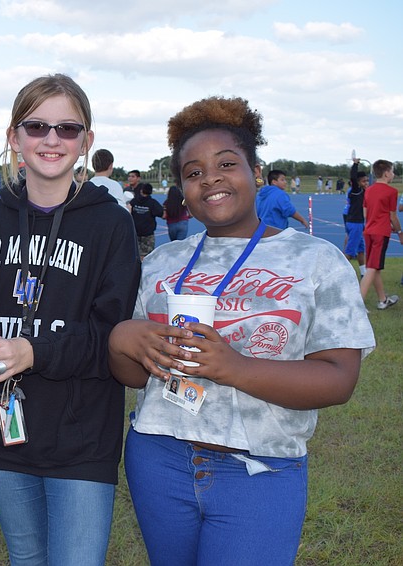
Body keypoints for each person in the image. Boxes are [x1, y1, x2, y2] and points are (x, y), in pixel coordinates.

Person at [107, 95, 374, 566]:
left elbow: (339, 379)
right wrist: (122, 339)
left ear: (255, 169)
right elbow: (131, 375)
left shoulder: (317, 260)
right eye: (193, 172)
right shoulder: (161, 262)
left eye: (226, 163)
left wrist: (234, 367)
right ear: (182, 188)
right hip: (159, 458)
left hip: (260, 467)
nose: (210, 178)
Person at [0, 73, 140, 566]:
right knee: (26, 559)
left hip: (81, 432)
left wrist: (35, 351)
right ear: (14, 137)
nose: (51, 139)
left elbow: (112, 336)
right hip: (6, 426)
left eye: (68, 129)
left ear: (86, 141)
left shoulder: (111, 224)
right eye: (36, 126)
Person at [359, 159, 402, 309]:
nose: (393, 174)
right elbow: (393, 216)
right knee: (372, 268)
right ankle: (356, 305)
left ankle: (382, 300)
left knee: (374, 265)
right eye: (392, 171)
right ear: (386, 173)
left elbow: (366, 214)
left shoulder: (368, 190)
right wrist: (400, 232)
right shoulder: (392, 192)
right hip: (380, 233)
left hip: (369, 231)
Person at [344, 159, 367, 278]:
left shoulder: (363, 191)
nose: (366, 183)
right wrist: (355, 165)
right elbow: (353, 177)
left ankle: (364, 273)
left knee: (361, 249)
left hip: (357, 223)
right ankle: (339, 273)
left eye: (367, 180)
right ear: (357, 183)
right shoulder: (356, 190)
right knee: (350, 252)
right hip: (355, 224)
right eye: (364, 181)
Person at [130, 182, 163, 259]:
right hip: (147, 233)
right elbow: (160, 212)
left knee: (135, 254)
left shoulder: (134, 201)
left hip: (136, 231)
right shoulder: (152, 203)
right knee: (148, 256)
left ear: (141, 191)